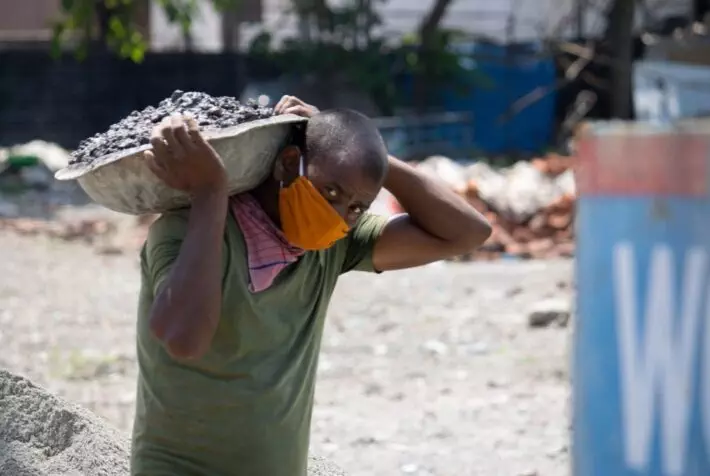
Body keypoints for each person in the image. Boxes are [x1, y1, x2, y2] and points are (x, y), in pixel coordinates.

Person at [131, 95, 491, 476]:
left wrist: (374, 160)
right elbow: (184, 338)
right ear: (289, 164)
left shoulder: (332, 246)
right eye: (331, 192)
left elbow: (468, 233)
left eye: (356, 209)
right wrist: (209, 193)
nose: (338, 215)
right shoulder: (189, 230)